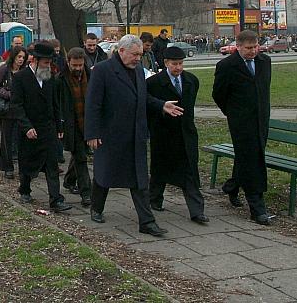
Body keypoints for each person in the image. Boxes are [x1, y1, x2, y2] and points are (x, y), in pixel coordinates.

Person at [85, 34, 183, 237]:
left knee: (139, 179)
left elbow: (143, 96)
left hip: (136, 133)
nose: (138, 58)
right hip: (110, 134)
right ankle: (96, 208)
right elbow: (93, 104)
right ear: (121, 51)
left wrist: (161, 105)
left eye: (141, 54)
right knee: (104, 174)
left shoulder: (138, 70)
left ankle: (146, 221)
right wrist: (92, 133)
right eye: (135, 54)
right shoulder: (103, 70)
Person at [212, 30, 273, 225]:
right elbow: (219, 94)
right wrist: (233, 112)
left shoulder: (265, 62)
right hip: (240, 122)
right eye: (248, 48)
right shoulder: (227, 66)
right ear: (237, 46)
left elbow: (264, 89)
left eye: (255, 47)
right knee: (252, 159)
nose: (252, 51)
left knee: (249, 156)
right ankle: (257, 207)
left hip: (261, 120)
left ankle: (232, 187)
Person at [146, 45, 208, 224]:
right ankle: (154, 199)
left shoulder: (191, 81)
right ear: (166, 63)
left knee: (190, 171)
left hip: (186, 133)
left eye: (181, 63)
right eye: (174, 64)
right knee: (159, 169)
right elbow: (147, 106)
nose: (178, 67)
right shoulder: (153, 83)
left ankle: (196, 210)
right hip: (163, 134)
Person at [10, 41, 71, 212]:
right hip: (29, 129)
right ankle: (25, 189)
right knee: (28, 162)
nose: (48, 66)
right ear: (34, 61)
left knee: (52, 164)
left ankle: (55, 199)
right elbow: (16, 105)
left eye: (50, 62)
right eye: (45, 63)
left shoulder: (50, 78)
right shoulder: (20, 78)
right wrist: (26, 126)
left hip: (48, 128)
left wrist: (59, 127)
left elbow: (54, 103)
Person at [57, 47, 92, 208]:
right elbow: (58, 103)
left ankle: (69, 180)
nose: (78, 69)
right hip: (71, 123)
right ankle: (87, 193)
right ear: (68, 62)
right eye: (74, 65)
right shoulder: (60, 79)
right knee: (81, 157)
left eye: (80, 65)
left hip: (87, 122)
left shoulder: (90, 76)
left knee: (80, 155)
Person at [0, 46, 27, 179]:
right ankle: (8, 166)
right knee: (7, 137)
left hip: (21, 109)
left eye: (23, 57)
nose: (21, 60)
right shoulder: (4, 69)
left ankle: (23, 167)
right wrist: (8, 94)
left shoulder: (24, 71)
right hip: (6, 109)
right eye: (19, 57)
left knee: (20, 137)